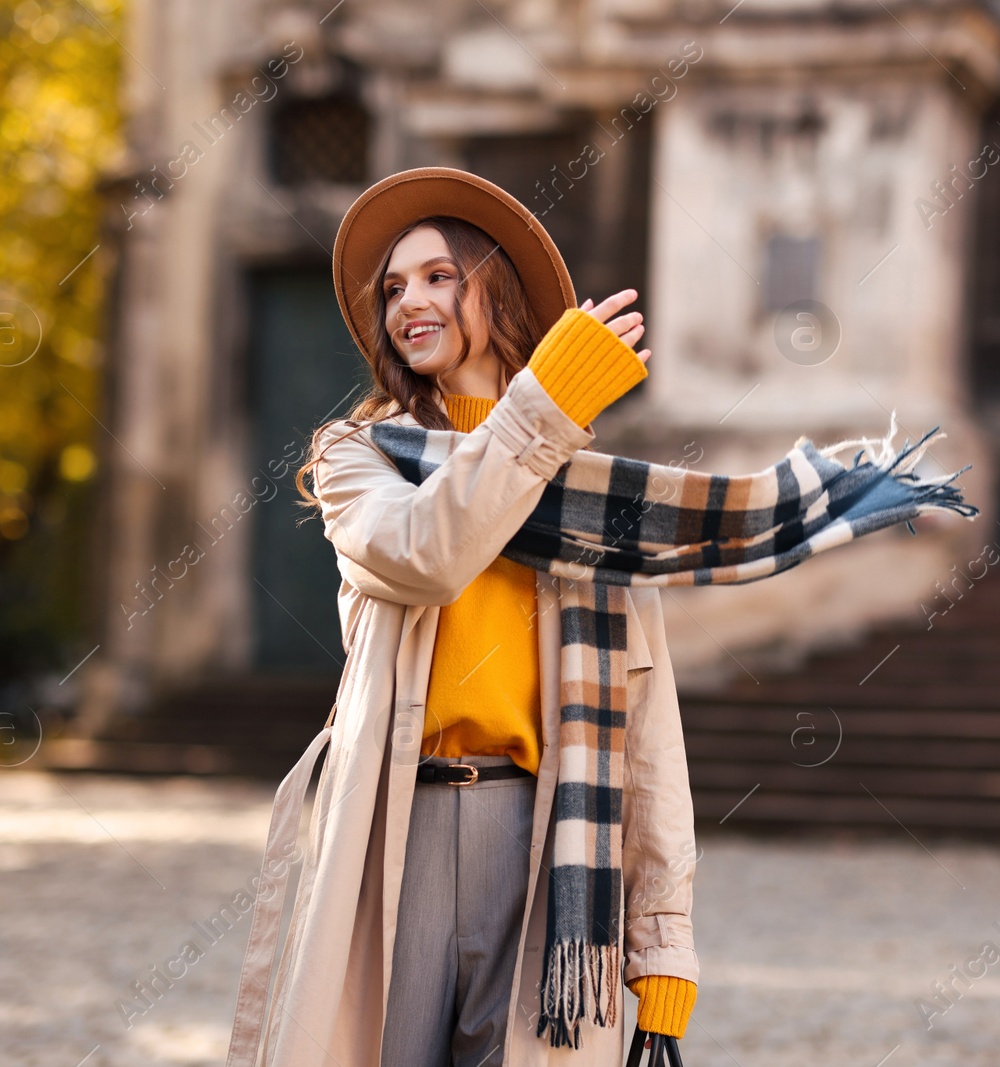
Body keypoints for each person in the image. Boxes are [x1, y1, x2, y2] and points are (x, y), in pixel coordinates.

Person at [231, 167, 700, 1067]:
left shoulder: (584, 496)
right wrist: (543, 409)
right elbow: (427, 552)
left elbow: (647, 728)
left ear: (497, 289)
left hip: (546, 845)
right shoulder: (360, 458)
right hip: (393, 828)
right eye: (395, 287)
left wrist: (663, 951)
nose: (411, 300)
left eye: (440, 276)